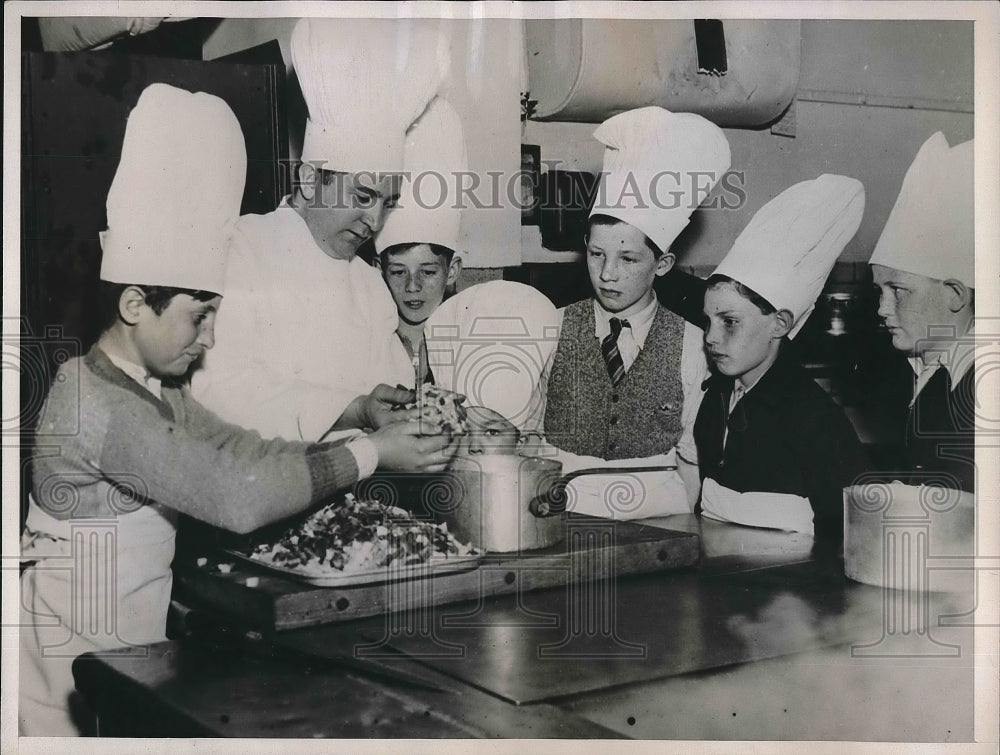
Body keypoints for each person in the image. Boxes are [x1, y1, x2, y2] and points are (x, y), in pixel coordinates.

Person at [19, 84, 455, 737]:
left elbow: (249, 450)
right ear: (136, 304)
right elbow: (236, 493)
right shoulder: (93, 404)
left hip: (119, 668)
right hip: (55, 699)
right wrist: (370, 452)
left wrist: (365, 419)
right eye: (199, 315)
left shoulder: (156, 391)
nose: (212, 338)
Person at [192, 18, 450, 442]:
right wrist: (354, 410)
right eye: (364, 196)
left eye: (388, 203)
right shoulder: (241, 250)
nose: (375, 222)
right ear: (310, 179)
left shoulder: (370, 287)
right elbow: (220, 391)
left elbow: (390, 400)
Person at [540, 106, 731, 516]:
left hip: (660, 520)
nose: (607, 275)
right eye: (596, 255)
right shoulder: (549, 329)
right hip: (563, 514)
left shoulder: (695, 347)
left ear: (661, 265)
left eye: (627, 259)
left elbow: (692, 460)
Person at [693, 175, 872, 540]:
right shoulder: (715, 400)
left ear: (779, 323)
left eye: (729, 322)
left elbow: (856, 530)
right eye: (707, 321)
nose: (711, 337)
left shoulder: (815, 418)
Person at [374, 95, 562, 434]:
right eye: (398, 271)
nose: (412, 287)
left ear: (454, 271)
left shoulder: (485, 330)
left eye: (428, 272)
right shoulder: (373, 339)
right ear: (379, 270)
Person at [868, 132, 975, 493]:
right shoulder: (929, 370)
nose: (883, 309)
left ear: (955, 295)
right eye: (878, 291)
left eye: (898, 291)